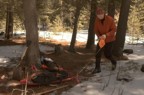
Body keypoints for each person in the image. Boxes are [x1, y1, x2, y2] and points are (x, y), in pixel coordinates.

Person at [92, 7, 117, 74]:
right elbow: (96, 30)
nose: (99, 16)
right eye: (98, 15)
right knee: (97, 53)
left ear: (103, 14)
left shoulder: (110, 19)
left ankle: (114, 62)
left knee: (107, 54)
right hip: (101, 39)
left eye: (101, 14)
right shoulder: (97, 20)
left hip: (110, 40)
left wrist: (106, 35)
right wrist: (99, 36)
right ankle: (97, 68)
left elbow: (114, 30)